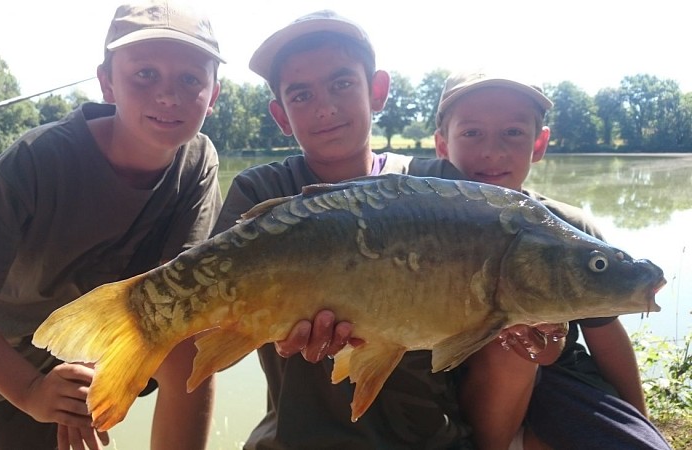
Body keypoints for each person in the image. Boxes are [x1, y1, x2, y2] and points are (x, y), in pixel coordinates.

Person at [215, 11, 555, 449]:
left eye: (342, 84)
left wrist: (539, 332)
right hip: (299, 437)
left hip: (430, 437)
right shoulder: (261, 190)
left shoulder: (440, 183)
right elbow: (211, 332)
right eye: (301, 95)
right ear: (280, 116)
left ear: (377, 91)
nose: (325, 106)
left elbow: (523, 338)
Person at [0, 1, 224, 449]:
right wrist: (30, 392)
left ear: (213, 94)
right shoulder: (37, 160)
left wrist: (111, 360)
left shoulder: (199, 161)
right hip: (16, 356)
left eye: (190, 79)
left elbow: (179, 295)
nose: (168, 95)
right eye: (145, 74)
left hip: (117, 335)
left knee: (190, 344)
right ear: (107, 82)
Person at [433, 70, 672, 449]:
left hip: (553, 378)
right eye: (472, 133)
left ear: (539, 143)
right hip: (451, 378)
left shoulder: (569, 227)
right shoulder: (422, 222)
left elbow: (607, 338)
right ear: (442, 144)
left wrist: (640, 422)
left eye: (512, 132)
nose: (492, 150)